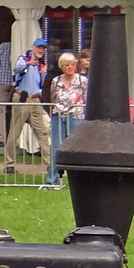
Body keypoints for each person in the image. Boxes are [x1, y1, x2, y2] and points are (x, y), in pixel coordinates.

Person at [6, 38, 50, 172]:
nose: (41, 50)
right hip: (23, 99)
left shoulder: (41, 65)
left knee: (43, 132)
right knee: (15, 133)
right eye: (39, 47)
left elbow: (39, 84)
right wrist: (28, 63)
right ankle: (9, 164)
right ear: (32, 48)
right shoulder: (23, 59)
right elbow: (17, 68)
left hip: (36, 101)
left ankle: (50, 165)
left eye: (43, 48)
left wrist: (43, 73)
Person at [47, 53, 88, 185]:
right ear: (62, 67)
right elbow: (53, 98)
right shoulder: (56, 81)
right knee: (55, 148)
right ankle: (52, 181)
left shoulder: (83, 81)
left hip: (76, 116)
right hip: (58, 115)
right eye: (66, 65)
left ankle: (78, 181)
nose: (70, 67)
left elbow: (87, 99)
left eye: (72, 64)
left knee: (77, 148)